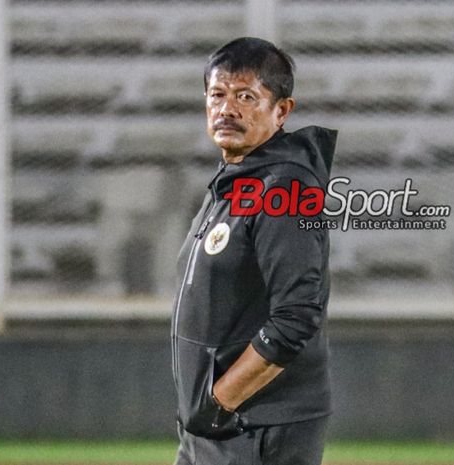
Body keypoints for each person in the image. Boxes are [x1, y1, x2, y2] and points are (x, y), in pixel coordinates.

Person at [171, 37, 337, 465]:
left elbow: (296, 316)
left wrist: (219, 401)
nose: (227, 109)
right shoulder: (236, 180)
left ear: (282, 111)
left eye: (246, 96)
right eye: (217, 95)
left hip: (255, 429)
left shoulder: (284, 187)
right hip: (215, 428)